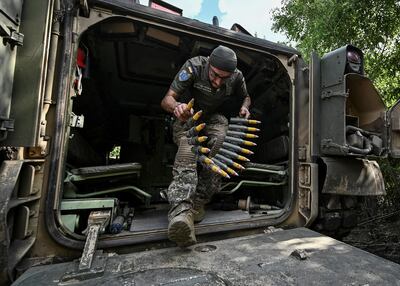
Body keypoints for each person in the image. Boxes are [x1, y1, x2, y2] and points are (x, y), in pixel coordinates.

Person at [160, 45, 251, 247]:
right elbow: (167, 99)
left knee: (222, 142)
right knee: (189, 148)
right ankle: (181, 213)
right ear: (209, 62)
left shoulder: (237, 76)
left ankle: (199, 202)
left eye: (224, 78)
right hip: (188, 115)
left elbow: (246, 96)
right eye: (215, 75)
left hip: (213, 117)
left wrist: (244, 108)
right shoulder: (193, 66)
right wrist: (177, 107)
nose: (218, 82)